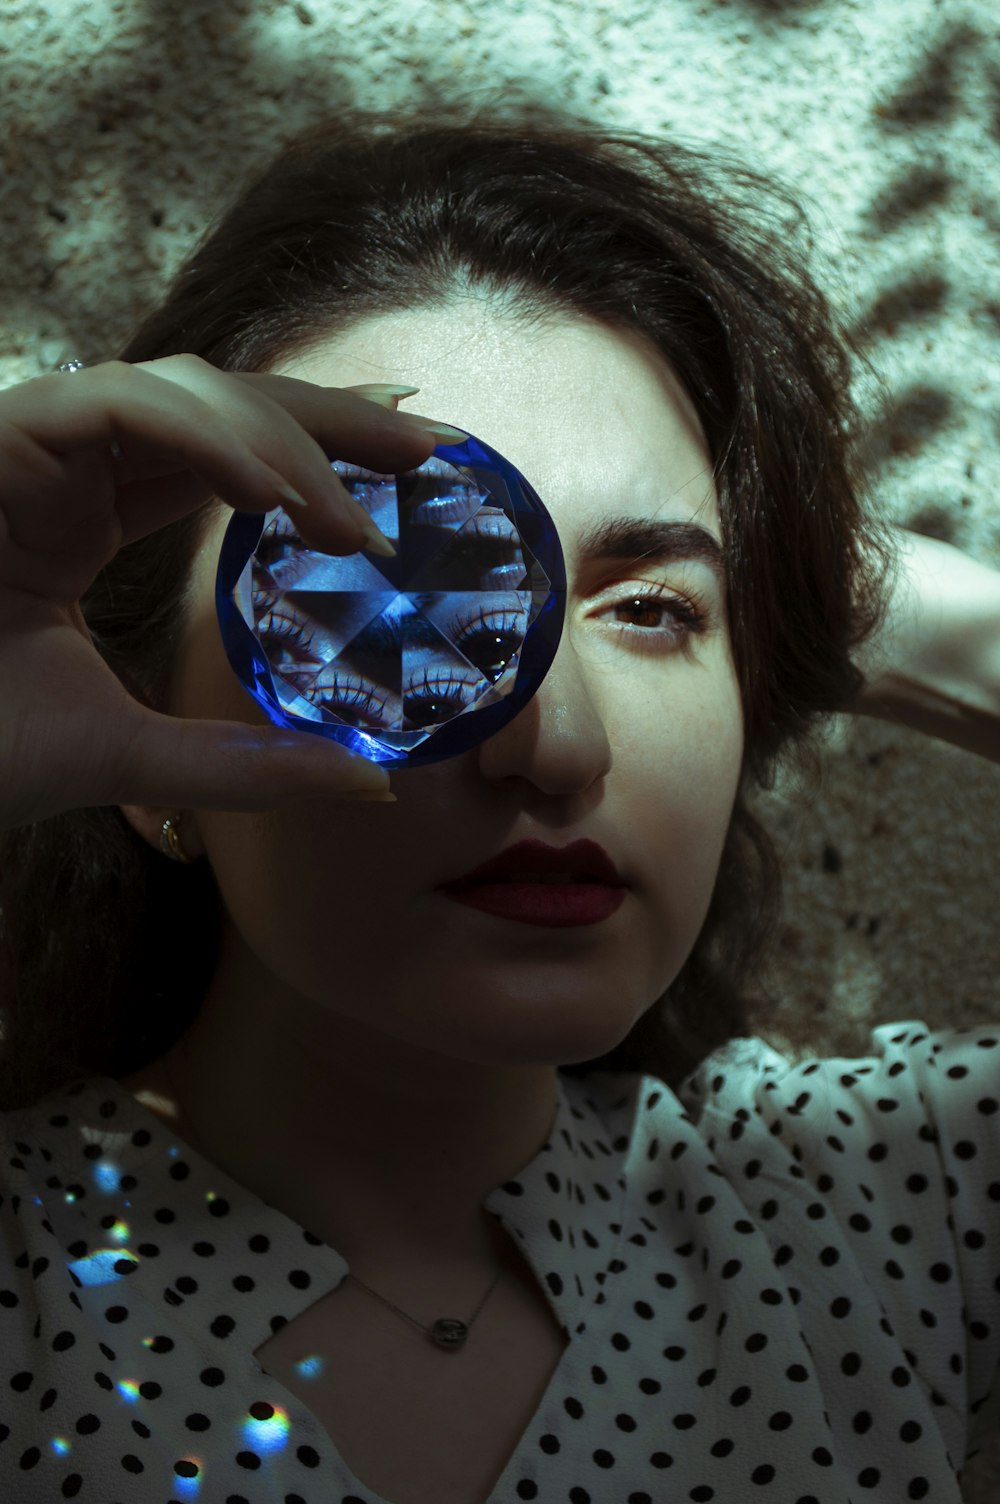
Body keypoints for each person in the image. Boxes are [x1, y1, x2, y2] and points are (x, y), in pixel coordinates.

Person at [0, 104, 997, 1504]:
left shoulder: (889, 1204)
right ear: (138, 726)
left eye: (655, 612)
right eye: (388, 600)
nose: (561, 743)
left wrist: (899, 617)